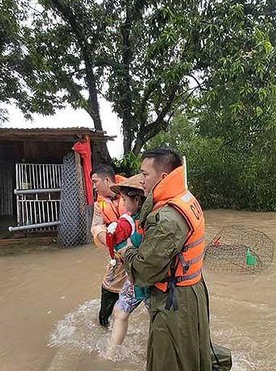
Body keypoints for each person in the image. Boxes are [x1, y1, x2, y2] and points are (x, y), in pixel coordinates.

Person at [120, 147, 211, 371]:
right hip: (189, 291)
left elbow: (143, 271)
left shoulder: (168, 218)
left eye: (144, 174)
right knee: (191, 355)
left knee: (167, 360)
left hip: (175, 299)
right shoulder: (184, 198)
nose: (140, 180)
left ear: (162, 177)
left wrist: (126, 250)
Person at [103, 174, 150, 355]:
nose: (123, 203)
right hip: (135, 277)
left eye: (124, 199)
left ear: (137, 199)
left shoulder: (151, 221)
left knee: (159, 319)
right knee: (120, 312)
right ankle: (110, 353)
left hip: (152, 280)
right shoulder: (130, 220)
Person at [90, 164, 127, 327]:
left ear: (106, 180)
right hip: (118, 254)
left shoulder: (132, 192)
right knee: (108, 289)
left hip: (139, 252)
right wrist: (101, 232)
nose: (93, 186)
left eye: (95, 181)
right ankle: (104, 325)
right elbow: (95, 227)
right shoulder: (99, 205)